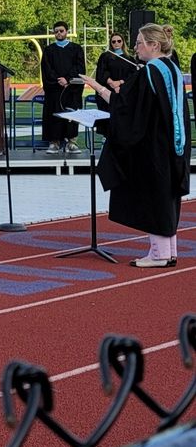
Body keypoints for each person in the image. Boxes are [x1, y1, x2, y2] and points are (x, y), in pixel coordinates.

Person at [82, 23, 190, 268]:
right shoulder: (172, 68)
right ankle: (169, 250)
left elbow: (125, 107)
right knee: (167, 195)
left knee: (154, 196)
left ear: (154, 45)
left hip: (154, 147)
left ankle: (159, 254)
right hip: (174, 146)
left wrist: (96, 86)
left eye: (140, 42)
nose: (135, 47)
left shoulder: (150, 71)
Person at [41, 21, 85, 154]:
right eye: (56, 31)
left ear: (67, 31)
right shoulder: (49, 50)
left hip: (71, 89)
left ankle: (72, 142)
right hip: (54, 89)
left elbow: (79, 67)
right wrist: (57, 80)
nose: (59, 33)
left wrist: (67, 79)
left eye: (61, 31)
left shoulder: (76, 48)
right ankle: (54, 143)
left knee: (72, 114)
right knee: (54, 115)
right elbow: (47, 69)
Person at [92, 32, 138, 137]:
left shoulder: (130, 59)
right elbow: (101, 73)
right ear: (110, 43)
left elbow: (133, 76)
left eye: (119, 41)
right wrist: (111, 83)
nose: (116, 43)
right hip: (107, 90)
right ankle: (106, 138)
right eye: (113, 41)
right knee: (107, 116)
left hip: (123, 91)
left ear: (123, 42)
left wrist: (120, 83)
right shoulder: (105, 56)